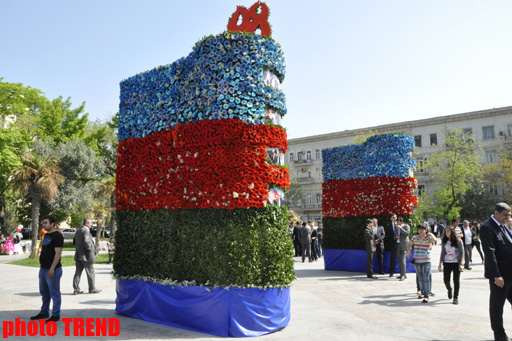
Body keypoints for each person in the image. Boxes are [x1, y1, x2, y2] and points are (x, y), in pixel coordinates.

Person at [480, 202, 512, 341]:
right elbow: (490, 253)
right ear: (496, 213)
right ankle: (499, 335)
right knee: (497, 305)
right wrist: (496, 275)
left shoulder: (504, 226)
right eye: (505, 215)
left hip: (510, 273)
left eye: (509, 215)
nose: (507, 218)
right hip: (501, 276)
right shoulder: (487, 227)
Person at [30, 215, 63, 323]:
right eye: (43, 223)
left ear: (52, 224)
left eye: (45, 223)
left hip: (52, 269)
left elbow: (58, 254)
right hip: (43, 269)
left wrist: (52, 269)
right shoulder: (46, 235)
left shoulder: (57, 236)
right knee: (44, 292)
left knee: (54, 293)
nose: (43, 225)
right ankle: (44, 312)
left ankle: (55, 314)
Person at [408, 224, 436, 303]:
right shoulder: (415, 237)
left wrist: (431, 234)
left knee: (426, 278)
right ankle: (423, 292)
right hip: (417, 261)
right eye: (419, 229)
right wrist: (409, 251)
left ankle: (426, 295)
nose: (420, 231)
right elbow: (409, 244)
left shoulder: (428, 238)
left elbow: (434, 240)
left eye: (422, 229)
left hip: (426, 261)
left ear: (425, 230)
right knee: (420, 278)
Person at [73, 218, 101, 295]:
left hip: (79, 254)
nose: (91, 224)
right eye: (91, 223)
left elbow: (75, 241)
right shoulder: (86, 230)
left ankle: (76, 289)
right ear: (86, 223)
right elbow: (86, 241)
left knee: (78, 272)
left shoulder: (79, 231)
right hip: (86, 255)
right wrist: (90, 250)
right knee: (91, 271)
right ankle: (92, 288)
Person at [438, 226, 464, 305]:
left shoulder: (458, 241)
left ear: (452, 232)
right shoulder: (444, 241)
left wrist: (461, 264)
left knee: (456, 281)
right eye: (446, 231)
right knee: (446, 280)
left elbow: (462, 254)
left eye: (448, 231)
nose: (447, 233)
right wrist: (440, 264)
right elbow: (442, 252)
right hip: (447, 263)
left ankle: (455, 297)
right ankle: (449, 289)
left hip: (456, 263)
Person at [395, 217, 410, 281]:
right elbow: (394, 236)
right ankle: (402, 274)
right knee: (399, 261)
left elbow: (407, 233)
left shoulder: (406, 226)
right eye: (396, 222)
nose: (397, 223)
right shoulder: (396, 227)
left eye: (398, 222)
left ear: (401, 222)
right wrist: (396, 237)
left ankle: (403, 275)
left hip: (404, 245)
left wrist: (401, 228)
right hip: (398, 245)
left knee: (403, 260)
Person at [386, 213, 398, 277]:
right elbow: (388, 235)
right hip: (392, 244)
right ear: (391, 218)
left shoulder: (399, 225)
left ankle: (402, 273)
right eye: (393, 217)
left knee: (401, 258)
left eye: (395, 217)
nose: (394, 218)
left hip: (399, 243)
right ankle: (391, 272)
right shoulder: (388, 225)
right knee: (393, 258)